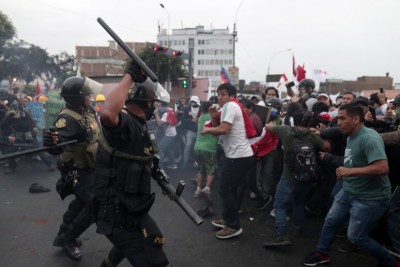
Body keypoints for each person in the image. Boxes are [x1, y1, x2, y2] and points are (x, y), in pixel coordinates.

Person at [93, 61, 172, 267]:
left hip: (133, 206)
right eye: (153, 102)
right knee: (154, 256)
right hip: (117, 210)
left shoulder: (141, 124)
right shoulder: (125, 122)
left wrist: (159, 174)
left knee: (133, 243)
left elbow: (143, 158)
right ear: (143, 101)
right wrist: (129, 76)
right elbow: (108, 114)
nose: (155, 105)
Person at [303, 103, 399, 267]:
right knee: (331, 221)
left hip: (370, 199)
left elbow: (382, 168)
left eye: (342, 118)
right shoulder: (350, 135)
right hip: (349, 191)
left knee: (356, 237)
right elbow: (352, 160)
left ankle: (391, 262)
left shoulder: (370, 138)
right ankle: (322, 253)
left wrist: (349, 172)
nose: (338, 122)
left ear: (355, 119)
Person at [43, 76, 100, 261]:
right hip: (76, 171)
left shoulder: (86, 110)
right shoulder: (67, 118)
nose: (90, 96)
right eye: (87, 94)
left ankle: (62, 236)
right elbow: (58, 140)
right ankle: (69, 238)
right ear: (78, 97)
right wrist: (53, 141)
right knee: (94, 206)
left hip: (89, 167)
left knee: (80, 203)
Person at [263, 109, 331, 247]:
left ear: (295, 119)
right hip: (307, 177)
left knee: (280, 205)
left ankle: (281, 234)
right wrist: (323, 132)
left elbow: (267, 126)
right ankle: (297, 229)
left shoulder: (285, 130)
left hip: (288, 177)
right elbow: (327, 147)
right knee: (299, 202)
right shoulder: (312, 136)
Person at [201, 83, 255, 239]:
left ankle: (233, 226)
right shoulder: (228, 107)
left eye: (223, 94)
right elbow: (221, 131)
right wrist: (213, 117)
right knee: (228, 190)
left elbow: (223, 130)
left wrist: (207, 129)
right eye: (218, 94)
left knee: (225, 190)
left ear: (232, 96)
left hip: (239, 157)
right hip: (237, 156)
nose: (219, 97)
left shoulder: (231, 106)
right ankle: (228, 219)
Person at [193, 101, 218, 199]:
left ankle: (198, 190)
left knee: (200, 168)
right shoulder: (213, 117)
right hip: (210, 147)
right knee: (211, 168)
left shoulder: (200, 118)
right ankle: (207, 189)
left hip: (198, 147)